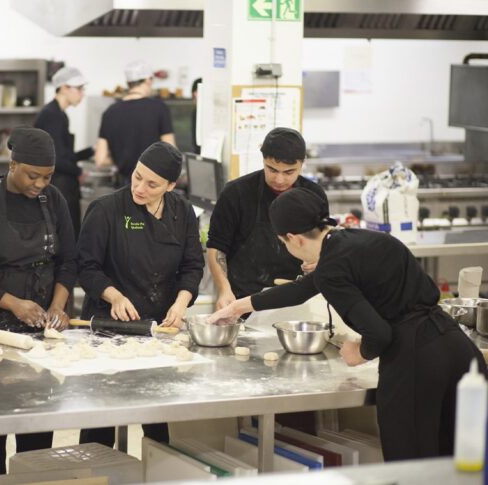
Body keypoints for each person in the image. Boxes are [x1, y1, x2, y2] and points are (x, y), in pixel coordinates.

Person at [208, 187, 486, 461]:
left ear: (294, 239)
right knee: (462, 466)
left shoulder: (331, 269)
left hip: (416, 364)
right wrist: (237, 307)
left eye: (283, 243)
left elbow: (380, 334)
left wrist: (359, 352)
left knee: (412, 469)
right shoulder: (360, 240)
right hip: (457, 351)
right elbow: (300, 290)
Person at [0, 126, 77, 472]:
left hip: (40, 332)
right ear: (13, 163)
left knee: (37, 425)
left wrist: (58, 305)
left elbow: (68, 260)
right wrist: (12, 303)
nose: (40, 184)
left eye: (48, 177)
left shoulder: (55, 201)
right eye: (33, 176)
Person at [77, 141, 204, 446]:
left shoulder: (183, 213)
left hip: (157, 329)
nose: (140, 187)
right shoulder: (107, 209)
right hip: (109, 329)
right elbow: (86, 267)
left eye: (152, 184)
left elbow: (192, 265)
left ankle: (157, 469)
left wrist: (181, 302)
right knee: (102, 420)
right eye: (137, 176)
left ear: (171, 186)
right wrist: (114, 296)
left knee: (158, 421)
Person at [206, 127, 326, 310]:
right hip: (243, 300)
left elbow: (324, 243)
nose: (279, 179)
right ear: (263, 160)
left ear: (303, 163)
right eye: (272, 169)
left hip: (296, 298)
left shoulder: (314, 195)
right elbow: (216, 247)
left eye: (289, 172)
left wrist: (319, 261)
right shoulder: (236, 193)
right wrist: (224, 290)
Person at [95, 60, 176, 187]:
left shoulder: (110, 112)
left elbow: (100, 160)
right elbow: (171, 152)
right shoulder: (159, 108)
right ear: (148, 80)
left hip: (122, 188)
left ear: (128, 83)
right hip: (151, 187)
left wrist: (121, 160)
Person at [34, 66, 94, 238]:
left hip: (62, 185)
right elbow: (56, 159)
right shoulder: (53, 116)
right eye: (79, 89)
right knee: (65, 236)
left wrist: (90, 151)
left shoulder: (57, 114)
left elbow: (64, 154)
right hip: (59, 186)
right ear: (64, 88)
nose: (82, 94)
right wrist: (79, 171)